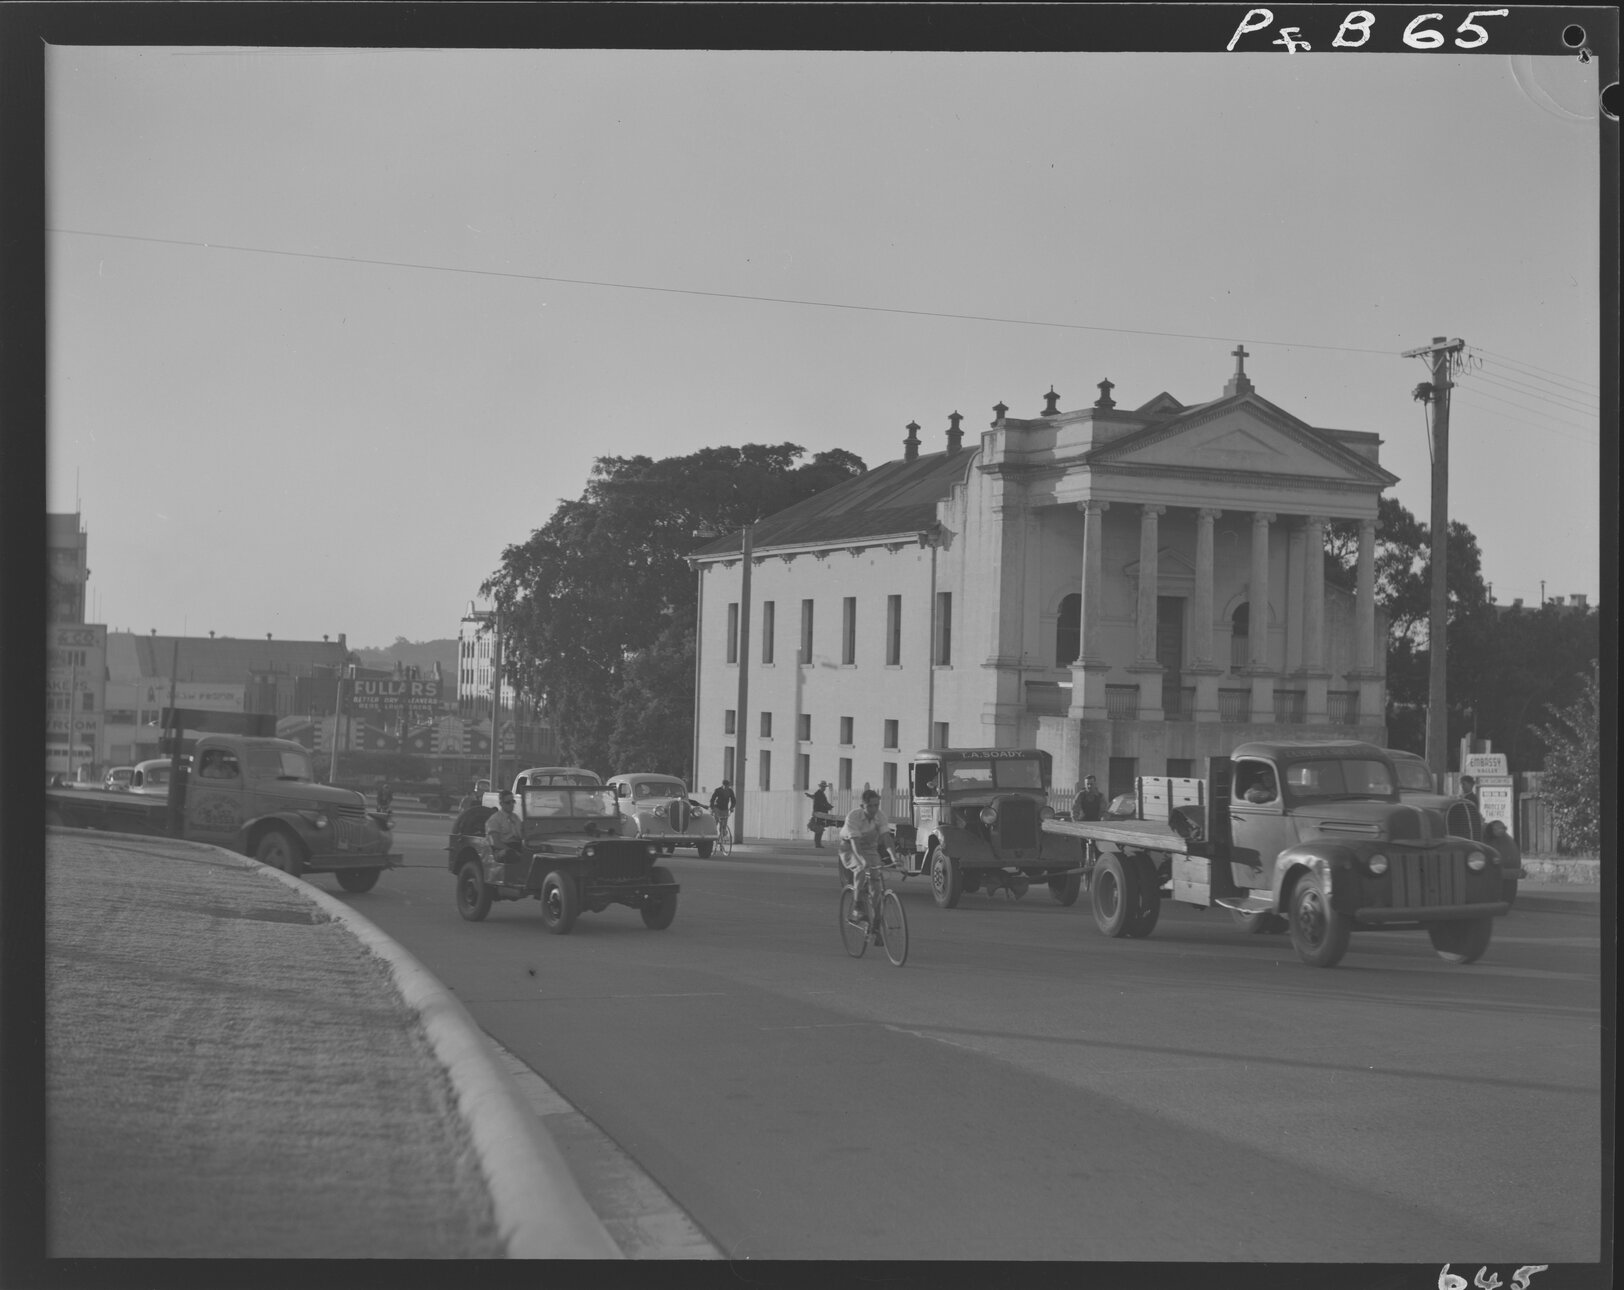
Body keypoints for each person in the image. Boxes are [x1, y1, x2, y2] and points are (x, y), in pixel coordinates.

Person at [839, 788, 895, 925]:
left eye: (876, 805)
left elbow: (886, 838)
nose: (873, 809)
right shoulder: (853, 817)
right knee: (860, 869)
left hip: (870, 848)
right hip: (849, 848)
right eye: (870, 806)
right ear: (862, 806)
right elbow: (855, 844)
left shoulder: (880, 816)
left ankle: (876, 922)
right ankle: (857, 907)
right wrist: (864, 862)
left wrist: (894, 858)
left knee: (876, 882)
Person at [484, 789, 524, 862]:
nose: (512, 804)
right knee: (510, 854)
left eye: (513, 801)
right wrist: (512, 851)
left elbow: (522, 836)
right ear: (501, 804)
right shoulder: (495, 819)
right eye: (508, 802)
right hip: (501, 849)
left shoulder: (516, 818)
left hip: (518, 846)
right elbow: (495, 842)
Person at [805, 780, 833, 848]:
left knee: (820, 828)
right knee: (819, 828)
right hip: (819, 813)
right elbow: (820, 803)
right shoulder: (818, 793)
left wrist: (828, 805)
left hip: (821, 813)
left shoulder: (821, 793)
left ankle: (818, 843)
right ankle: (817, 844)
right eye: (823, 787)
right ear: (820, 787)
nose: (824, 788)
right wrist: (827, 806)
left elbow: (823, 802)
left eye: (824, 787)